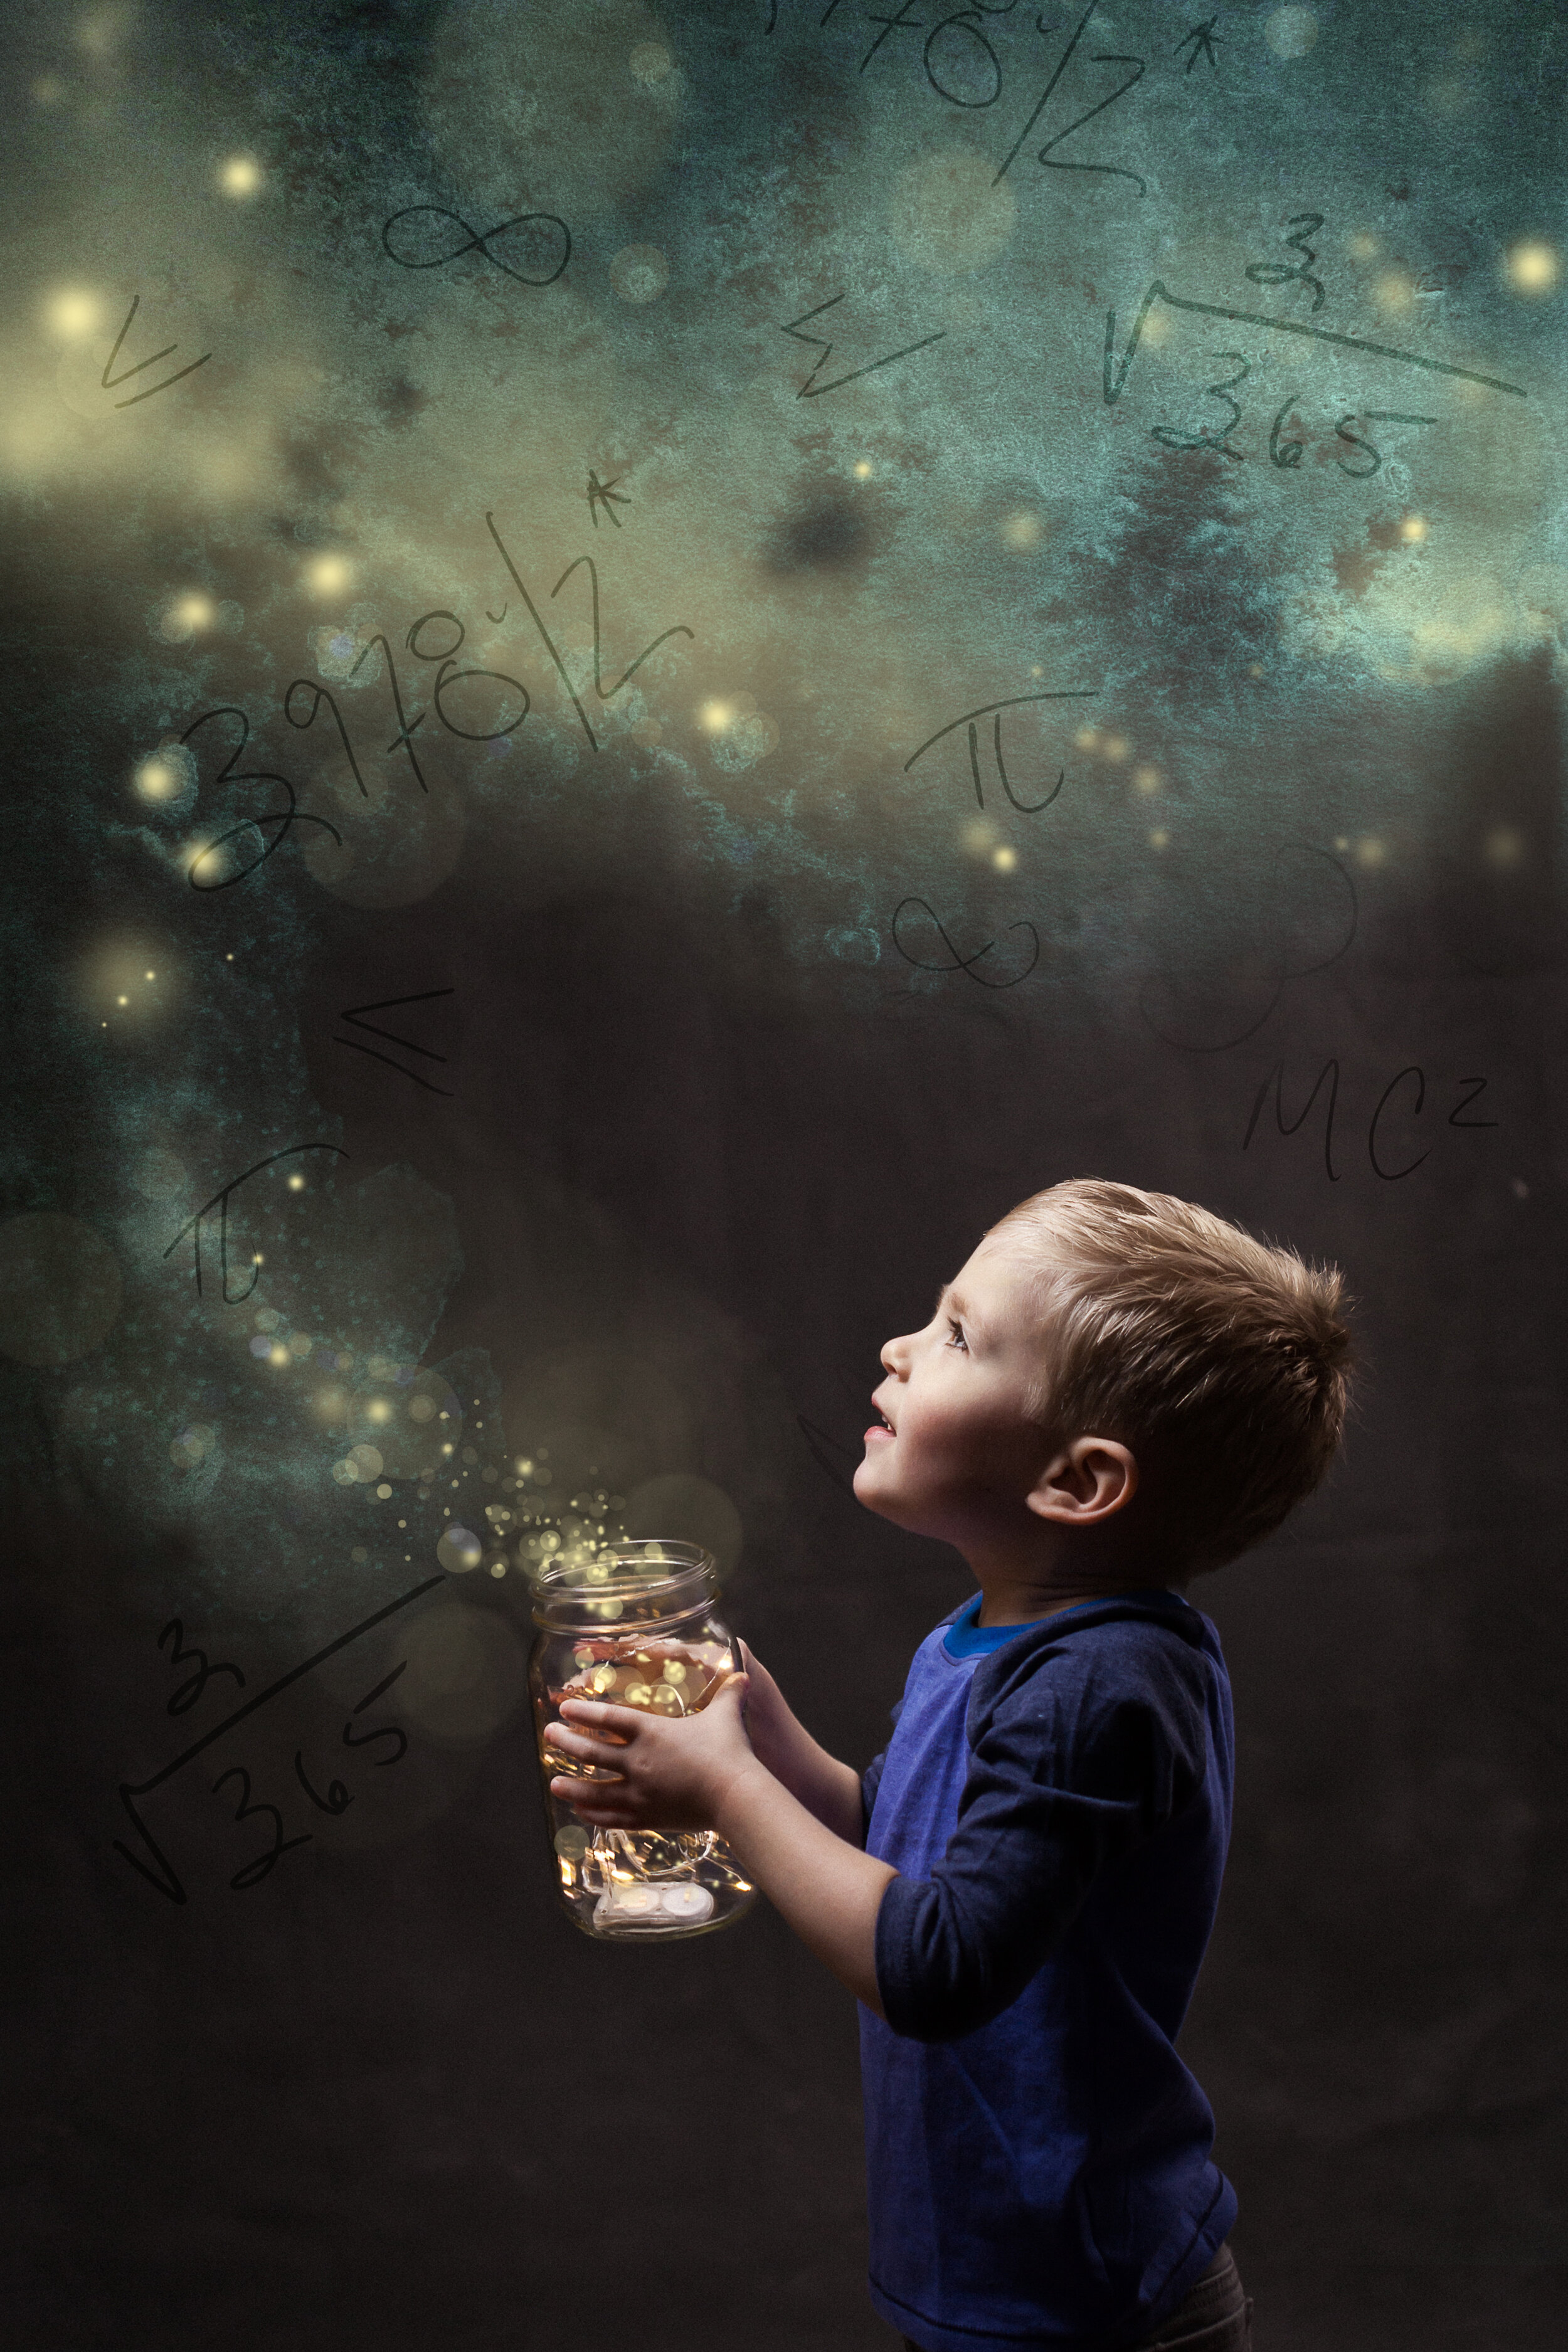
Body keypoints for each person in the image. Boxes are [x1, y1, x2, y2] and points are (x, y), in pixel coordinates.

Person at [546, 1179, 1352, 2351]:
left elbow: (936, 1962)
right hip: (1002, 2275)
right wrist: (768, 1734)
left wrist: (726, 1786)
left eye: (959, 1336)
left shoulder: (1095, 1686)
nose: (900, 1347)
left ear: (1077, 1481)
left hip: (1088, 2301)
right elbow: (912, 1850)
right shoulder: (992, 1640)